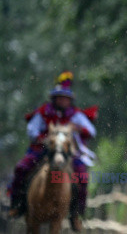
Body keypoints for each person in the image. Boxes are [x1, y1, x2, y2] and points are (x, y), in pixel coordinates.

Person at [7, 71, 96, 232]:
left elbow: (91, 131)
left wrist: (77, 128)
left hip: (68, 152)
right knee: (21, 168)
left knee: (82, 176)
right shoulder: (43, 112)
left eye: (66, 98)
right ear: (54, 99)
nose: (63, 101)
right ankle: (17, 204)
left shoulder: (76, 115)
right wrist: (44, 139)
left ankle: (76, 215)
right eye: (60, 97)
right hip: (43, 150)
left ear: (70, 100)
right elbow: (32, 131)